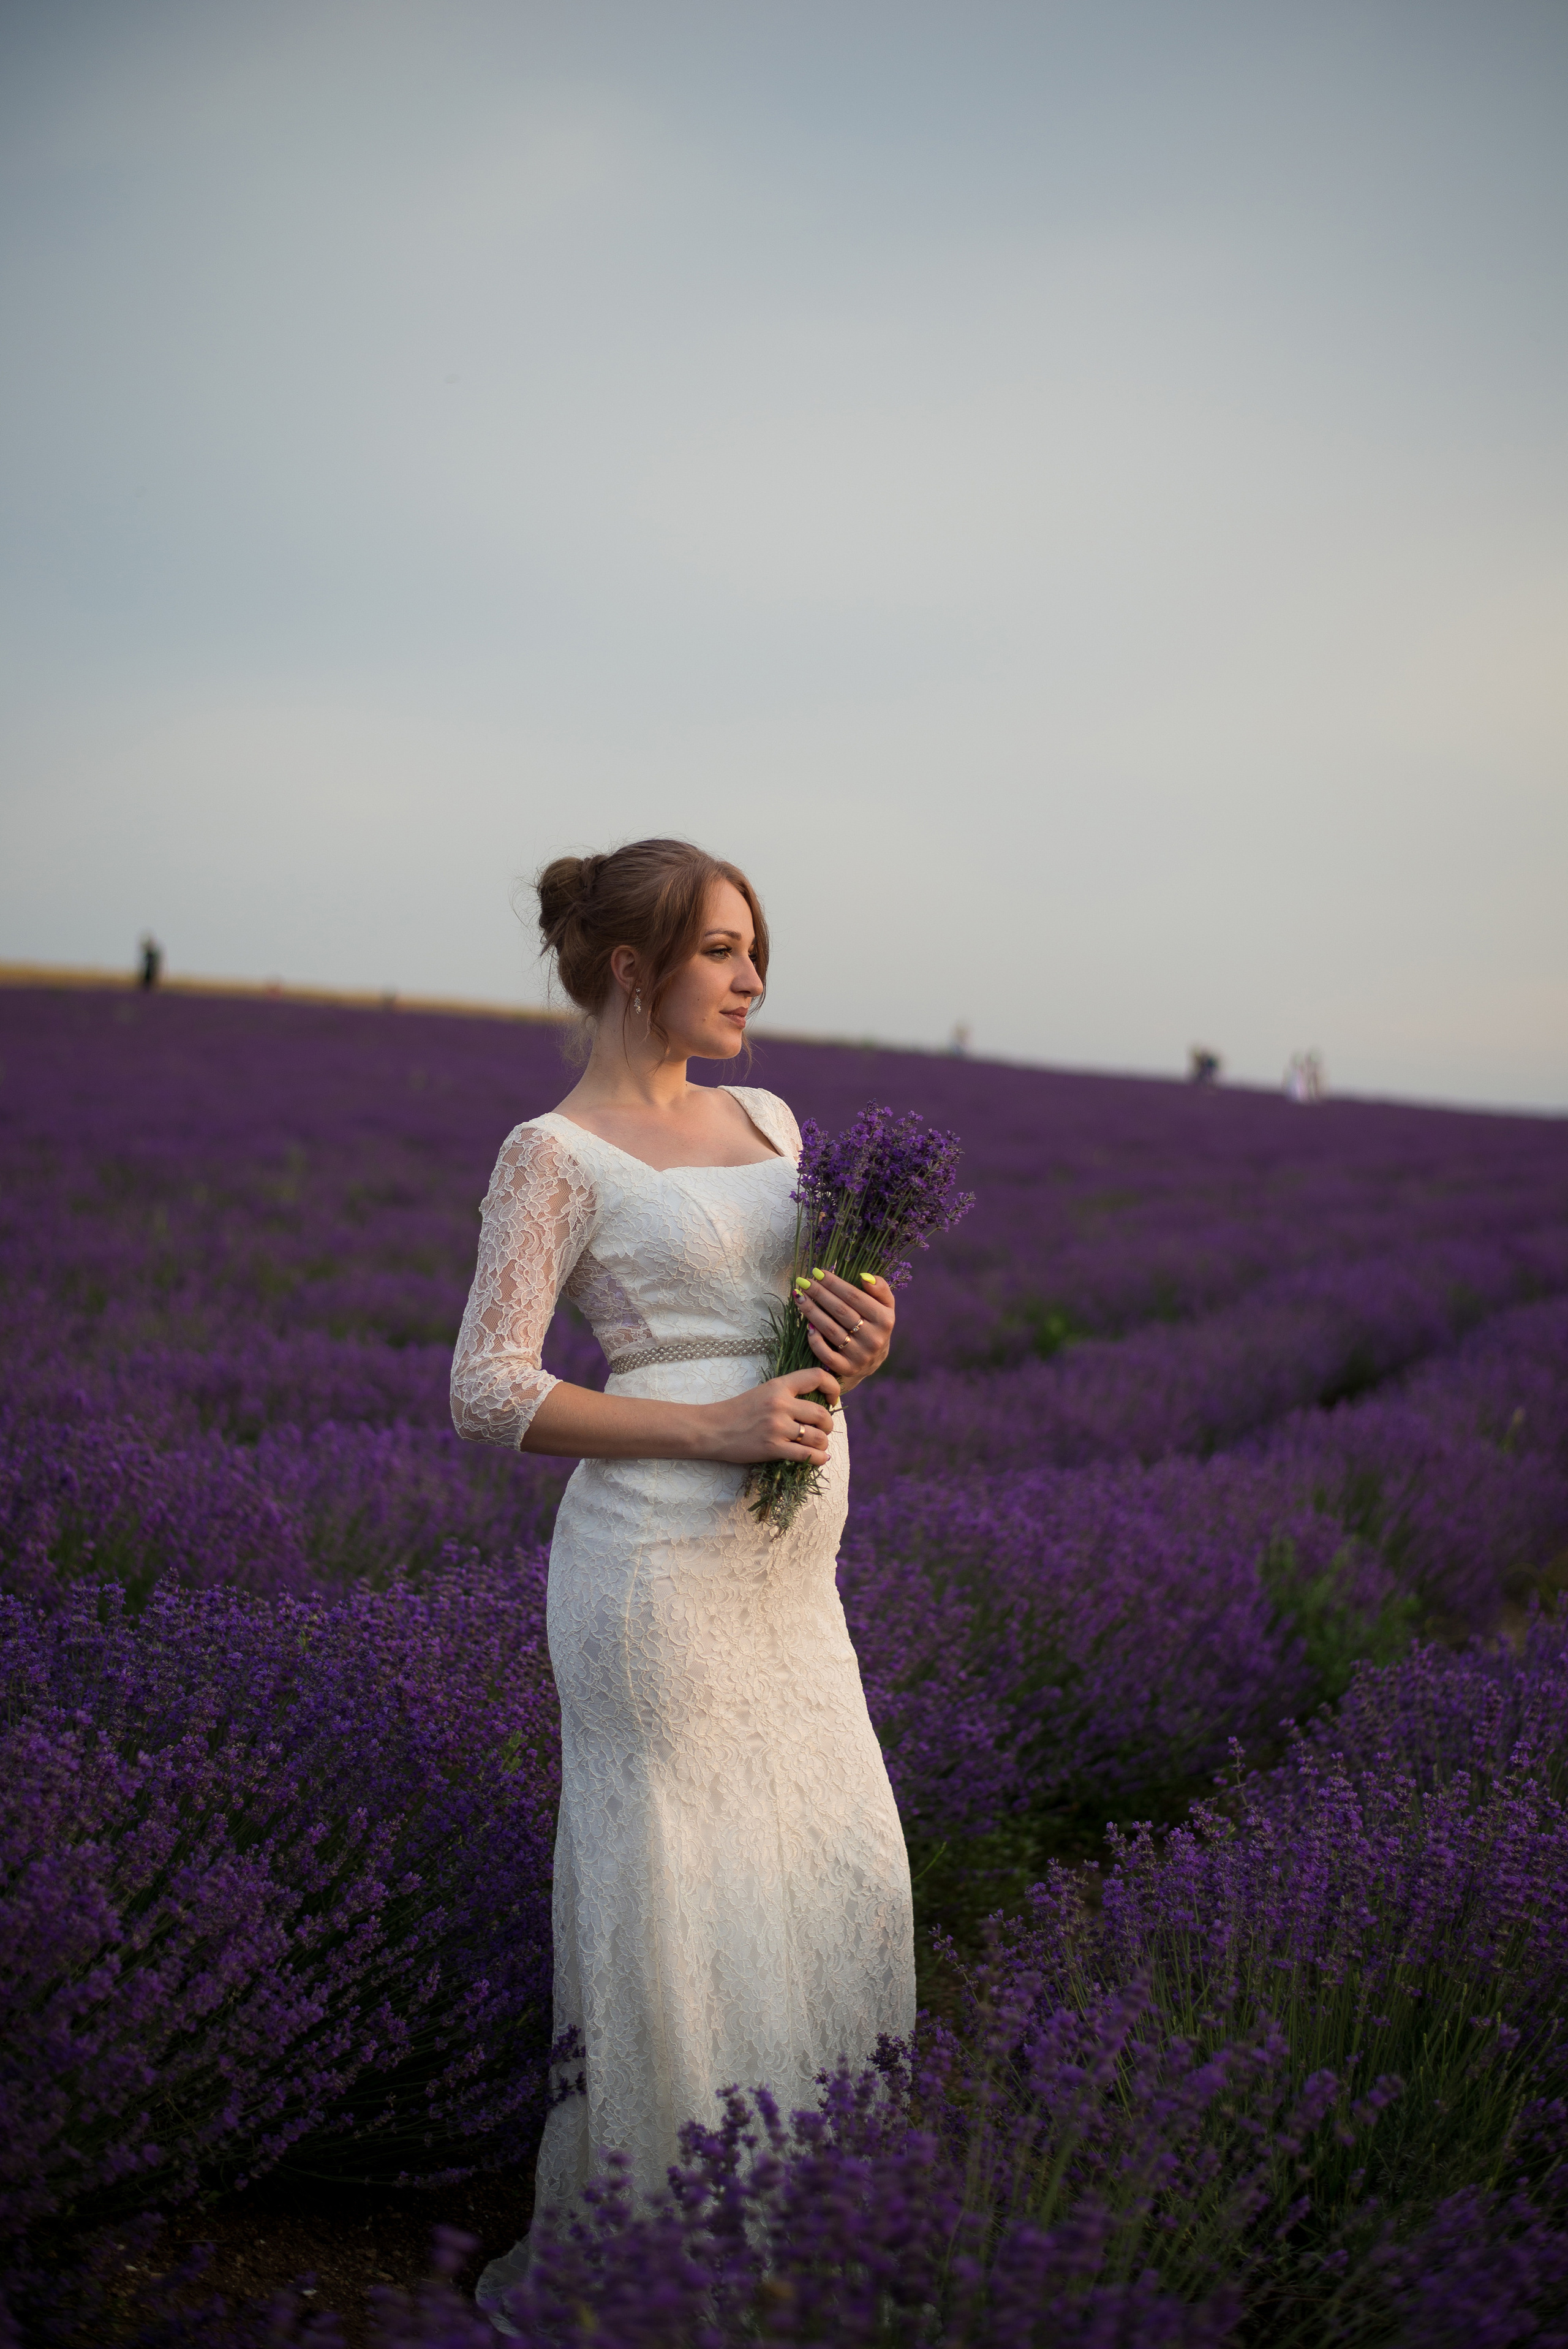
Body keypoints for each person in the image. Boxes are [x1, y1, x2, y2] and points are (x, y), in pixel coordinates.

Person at [450, 839, 915, 2329]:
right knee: (685, 1905)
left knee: (834, 1862)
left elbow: (792, 1326)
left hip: (789, 1582)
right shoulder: (553, 1152)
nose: (753, 976)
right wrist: (707, 1422)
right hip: (649, 1577)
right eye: (722, 950)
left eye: (752, 946)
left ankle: (798, 2224)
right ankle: (664, 2269)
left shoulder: (771, 1116)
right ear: (633, 969)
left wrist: (859, 1337)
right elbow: (484, 1388)